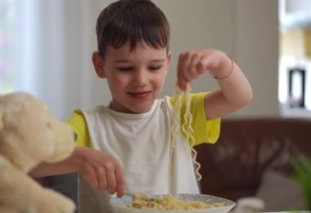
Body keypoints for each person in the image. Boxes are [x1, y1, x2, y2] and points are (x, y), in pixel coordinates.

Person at [30, 0, 252, 212]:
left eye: (154, 67)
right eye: (126, 68)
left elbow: (239, 97)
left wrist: (221, 63)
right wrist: (79, 157)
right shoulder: (88, 124)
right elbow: (28, 161)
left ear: (167, 63)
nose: (141, 80)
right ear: (100, 66)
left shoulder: (179, 113)